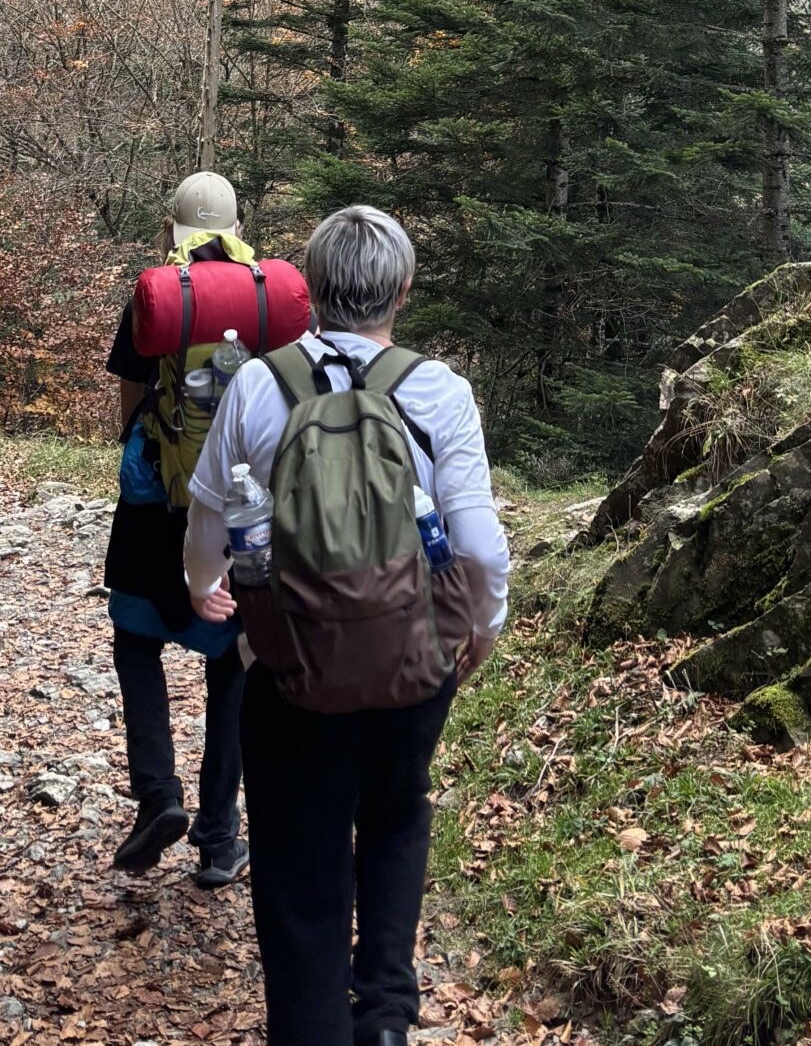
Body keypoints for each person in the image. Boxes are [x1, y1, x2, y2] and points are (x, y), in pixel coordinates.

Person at [186, 204, 510, 1046]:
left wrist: (203, 588)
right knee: (397, 814)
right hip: (412, 662)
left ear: (309, 293)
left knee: (299, 854)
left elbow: (209, 526)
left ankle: (312, 1028)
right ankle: (388, 1019)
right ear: (402, 289)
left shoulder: (258, 384)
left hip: (291, 668)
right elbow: (477, 540)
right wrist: (480, 629)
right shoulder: (439, 389)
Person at [103, 169, 249, 886]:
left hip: (155, 500)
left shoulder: (158, 293)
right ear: (236, 226)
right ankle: (221, 837)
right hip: (238, 504)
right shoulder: (265, 300)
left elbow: (131, 403)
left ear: (175, 229)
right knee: (233, 663)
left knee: (136, 639)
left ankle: (159, 793)